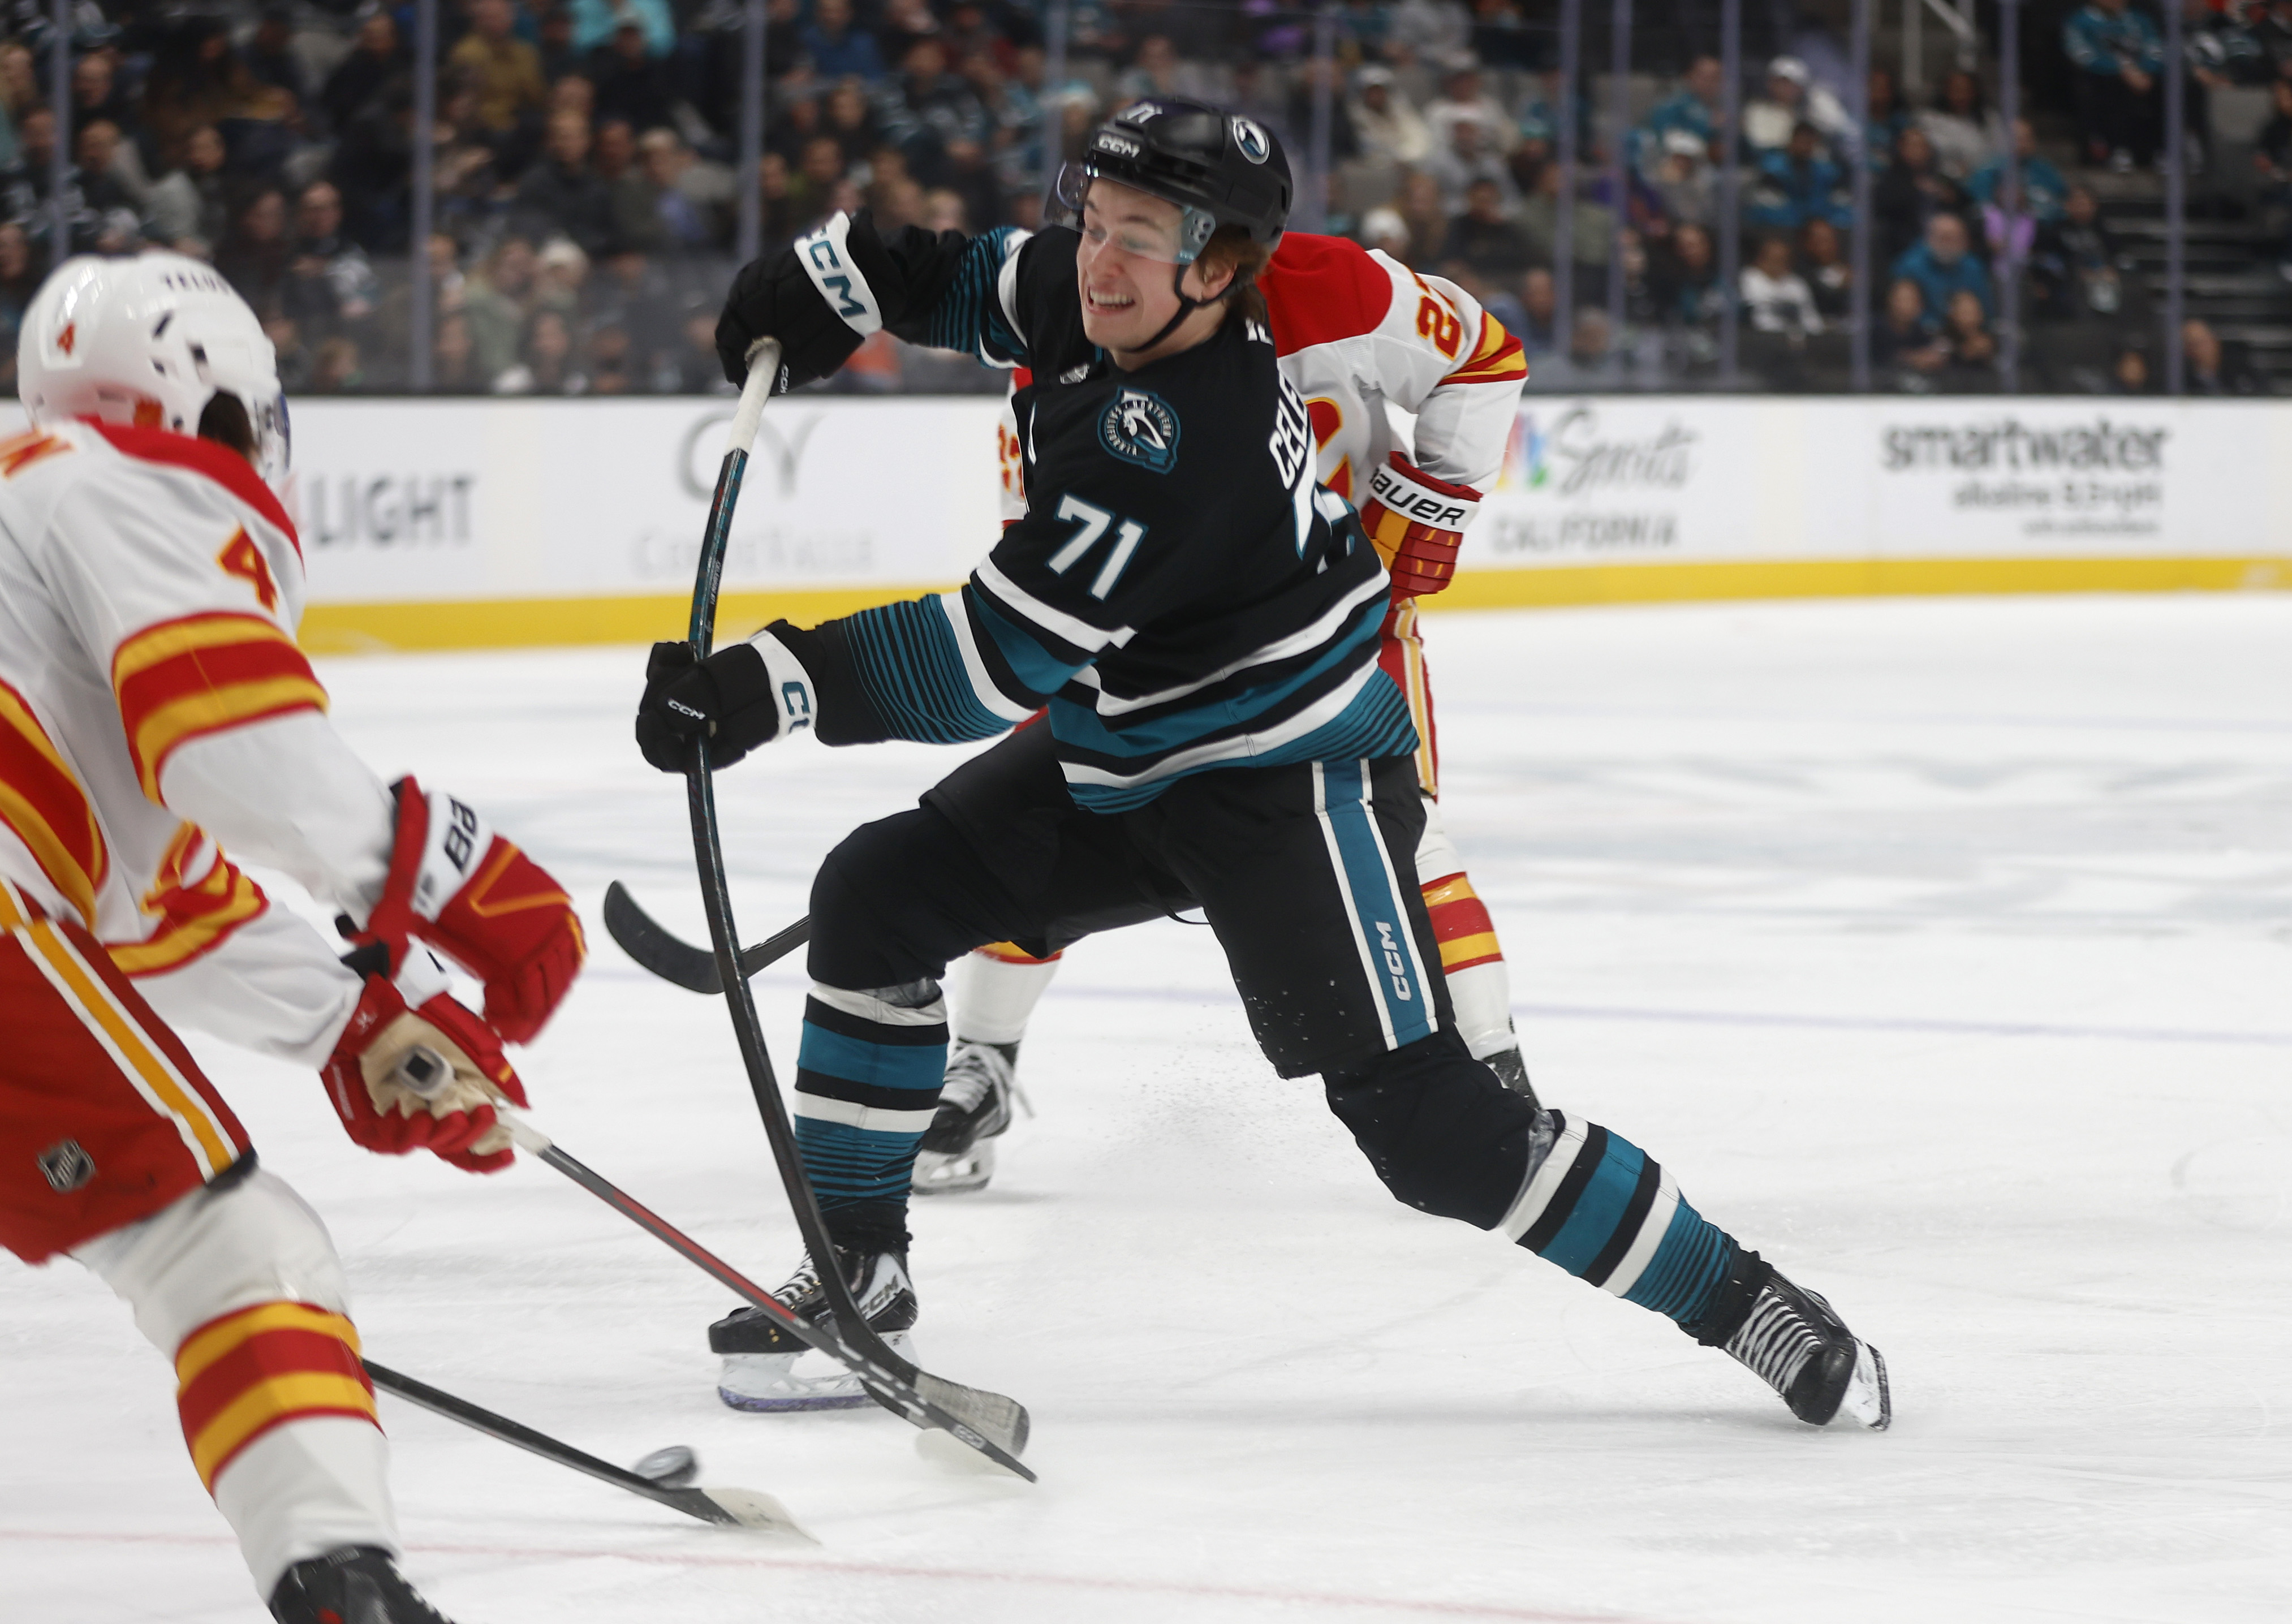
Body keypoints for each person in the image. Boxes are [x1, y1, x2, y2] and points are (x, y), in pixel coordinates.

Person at [640, 98, 1891, 1438]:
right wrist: (831, 281)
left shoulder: (1176, 440)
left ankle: (1746, 1299)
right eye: (1093, 221)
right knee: (876, 895)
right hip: (1133, 749)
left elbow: (986, 660)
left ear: (1220, 270)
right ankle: (856, 1276)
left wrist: (762, 686)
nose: (1096, 261)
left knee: (1439, 1138)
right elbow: (961, 275)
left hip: (1287, 780)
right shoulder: (1104, 292)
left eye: (1138, 238)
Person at [1, 255, 584, 1620]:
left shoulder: (26, 500)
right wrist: (455, 867)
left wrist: (358, 1019)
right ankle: (341, 1589)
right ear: (212, 409)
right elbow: (231, 746)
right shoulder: (118, 480)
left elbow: (147, 896)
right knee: (235, 1256)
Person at [2064, 0, 2166, 169]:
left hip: (2141, 77)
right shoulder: (2080, 21)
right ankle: (2118, 149)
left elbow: (2155, 49)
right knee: (2109, 89)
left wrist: (2144, 70)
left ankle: (2162, 151)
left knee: (2167, 86)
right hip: (2103, 79)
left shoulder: (2140, 20)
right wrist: (2121, 70)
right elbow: (2082, 55)